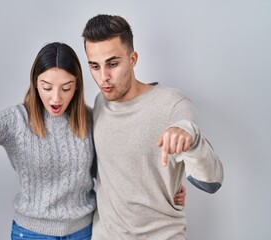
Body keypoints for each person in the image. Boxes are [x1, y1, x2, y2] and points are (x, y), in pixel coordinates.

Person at [0, 42, 186, 239]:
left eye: (66, 88)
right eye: (47, 87)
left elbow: (113, 169)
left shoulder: (90, 118)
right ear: (35, 83)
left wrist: (163, 188)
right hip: (31, 234)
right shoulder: (15, 120)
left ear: (77, 86)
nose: (56, 98)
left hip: (84, 232)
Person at [82, 14, 224, 239]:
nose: (103, 78)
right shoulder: (100, 102)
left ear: (133, 58)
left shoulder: (172, 105)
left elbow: (212, 182)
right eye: (94, 66)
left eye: (113, 64)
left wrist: (192, 138)